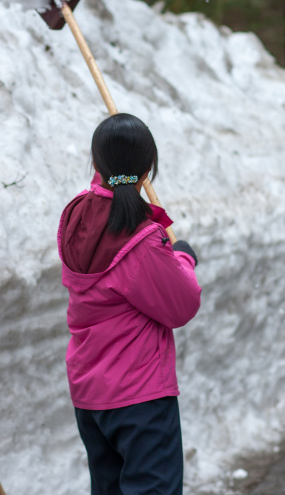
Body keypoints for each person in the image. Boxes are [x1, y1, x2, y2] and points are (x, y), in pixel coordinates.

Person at [57, 113, 201, 495]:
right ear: (148, 169)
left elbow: (112, 185)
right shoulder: (139, 240)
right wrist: (182, 257)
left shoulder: (75, 217)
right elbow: (181, 305)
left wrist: (117, 164)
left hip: (90, 395)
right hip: (139, 398)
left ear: (95, 164)